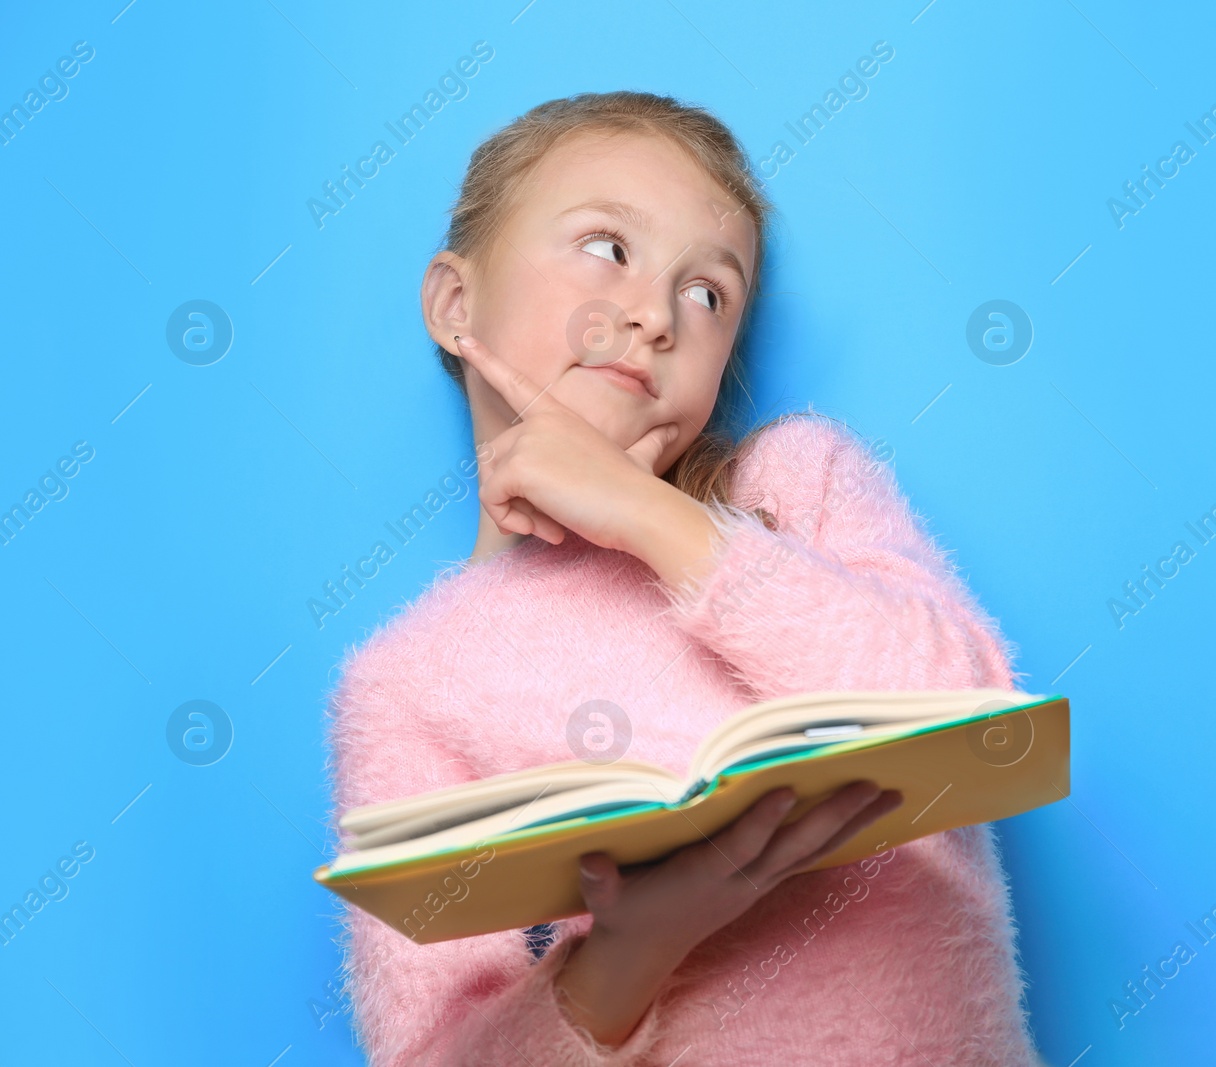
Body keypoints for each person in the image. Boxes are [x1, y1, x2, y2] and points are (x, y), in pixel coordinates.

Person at [327, 90, 1038, 1065]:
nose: (655, 315)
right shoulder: (409, 680)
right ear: (457, 305)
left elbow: (979, 724)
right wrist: (634, 946)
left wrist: (658, 519)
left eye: (708, 293)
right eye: (607, 247)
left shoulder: (799, 481)